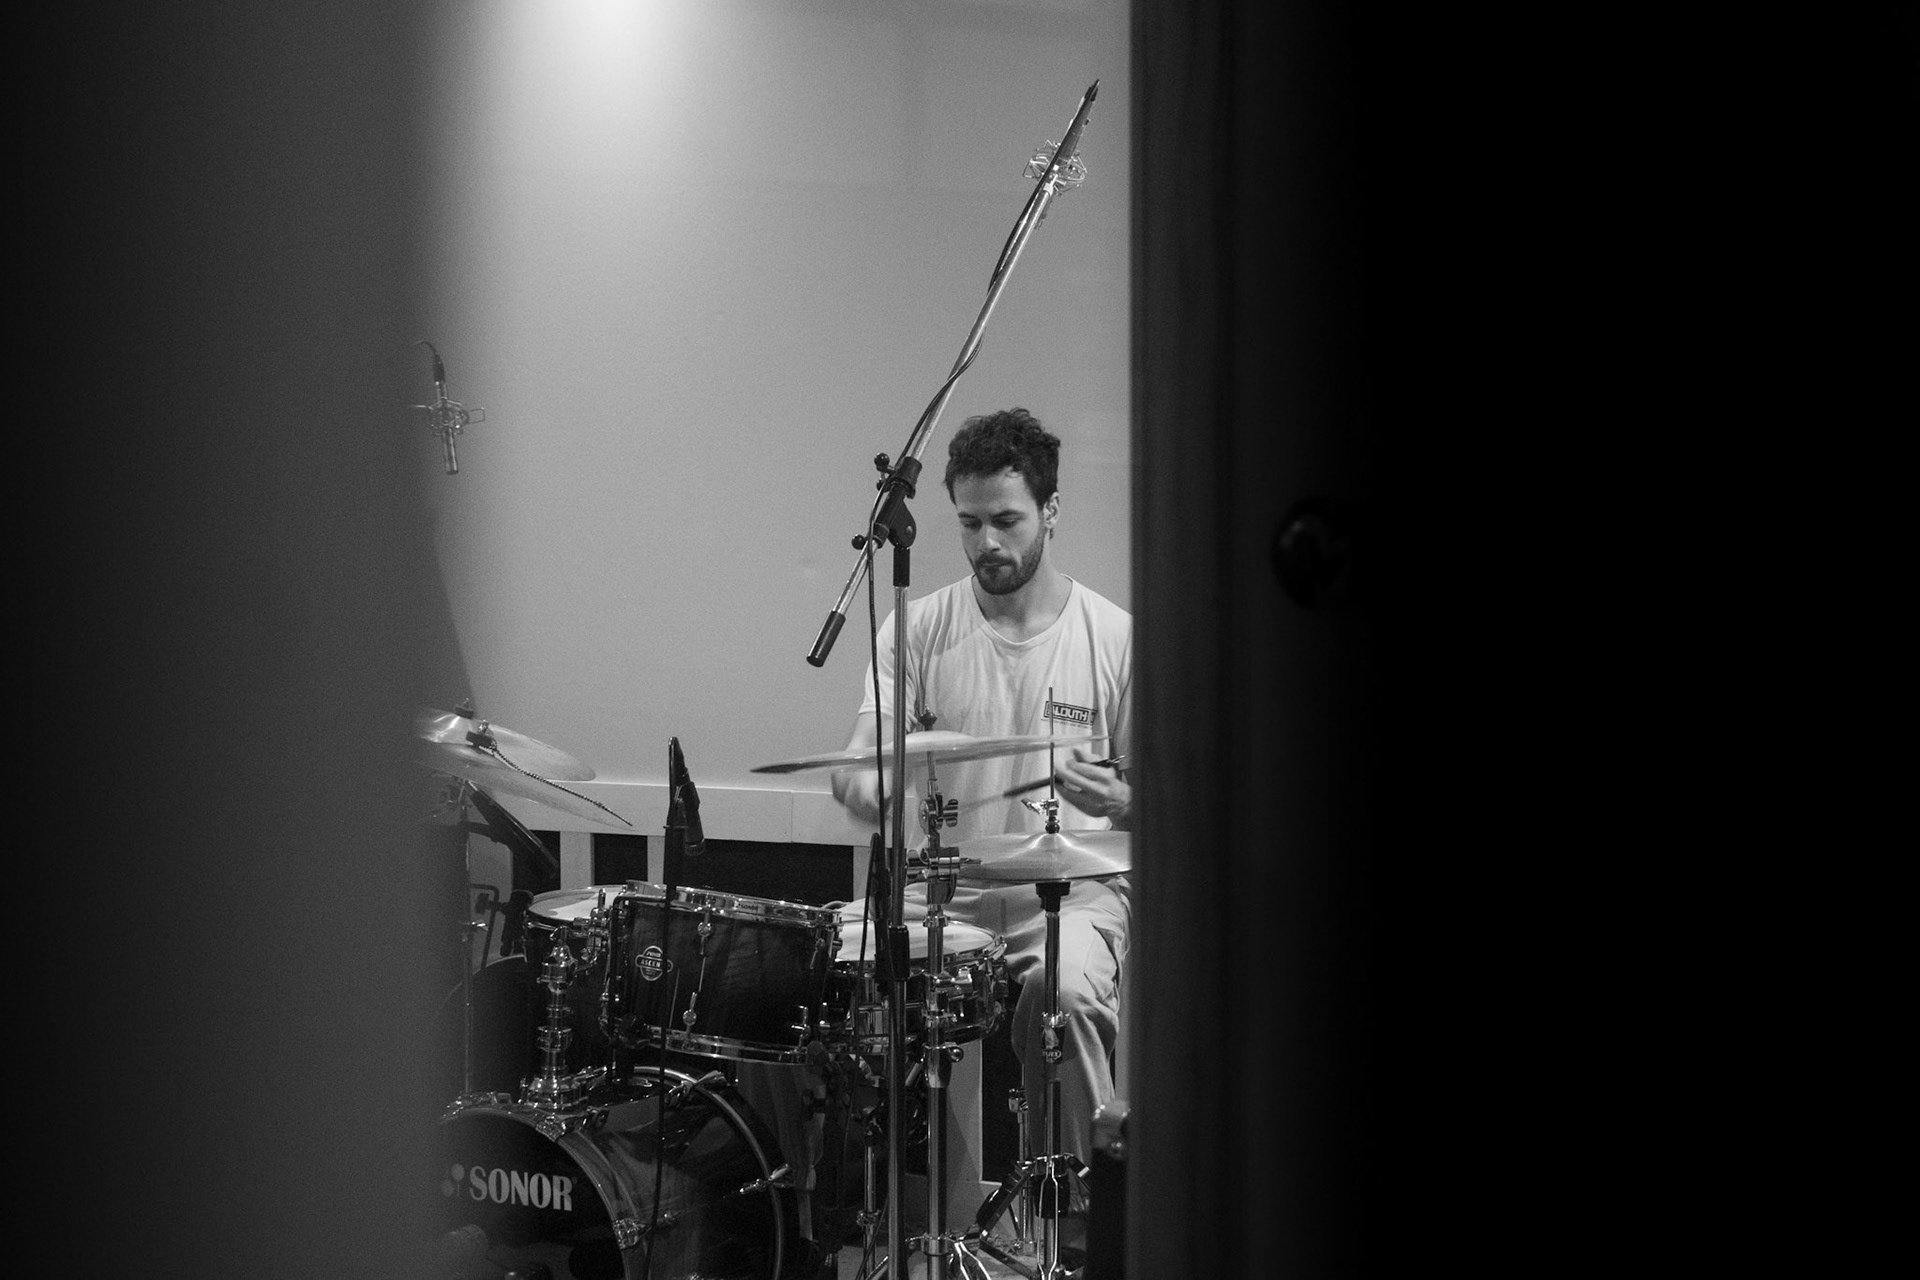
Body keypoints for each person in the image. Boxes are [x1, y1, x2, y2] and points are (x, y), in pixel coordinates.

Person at [829, 406, 1132, 1197]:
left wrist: (1123, 799)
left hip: (1069, 891)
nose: (986, 542)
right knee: (822, 965)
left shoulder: (1113, 637)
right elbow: (863, 752)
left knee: (1066, 995)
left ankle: (1081, 1215)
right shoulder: (916, 629)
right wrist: (862, 782)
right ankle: (838, 1209)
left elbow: (1167, 808)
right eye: (969, 523)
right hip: (942, 886)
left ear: (1051, 511)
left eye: (1006, 520)